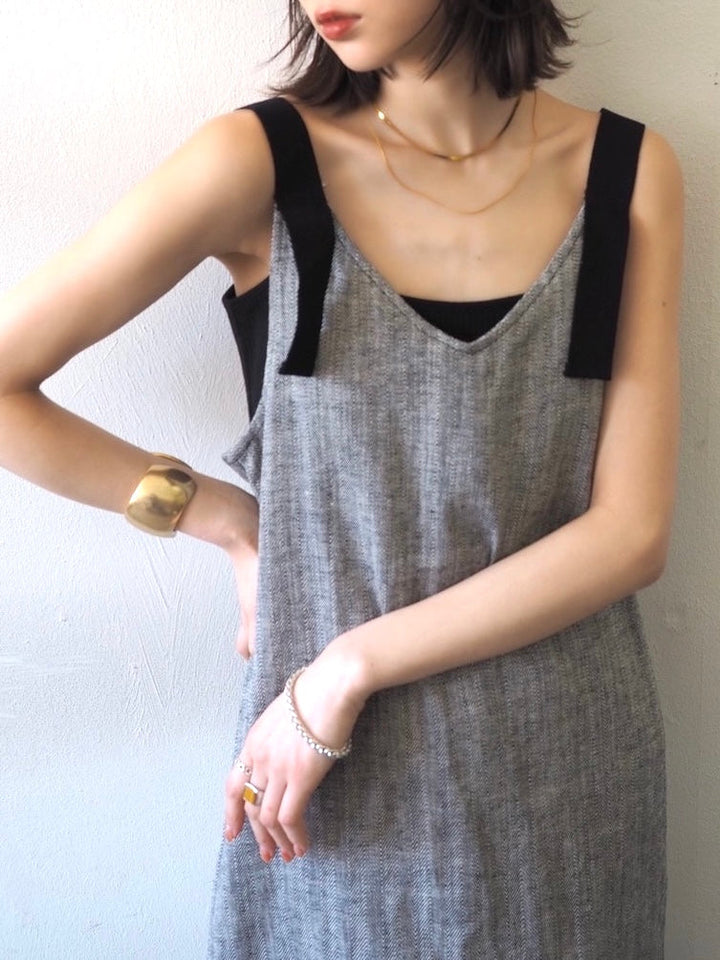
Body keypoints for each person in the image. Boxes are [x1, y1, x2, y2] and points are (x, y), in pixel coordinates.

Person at [0, 1, 683, 957]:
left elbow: (631, 535)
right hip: (328, 794)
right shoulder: (259, 165)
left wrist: (347, 670)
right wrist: (221, 517)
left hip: (564, 785)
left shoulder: (625, 171)